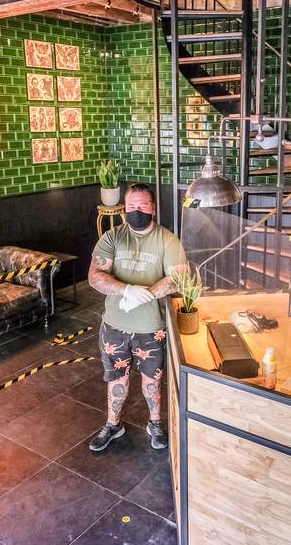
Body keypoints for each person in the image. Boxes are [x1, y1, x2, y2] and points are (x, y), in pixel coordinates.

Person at [87, 183, 186, 452]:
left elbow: (177, 278)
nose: (136, 210)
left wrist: (148, 293)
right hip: (114, 325)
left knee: (152, 379)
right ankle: (112, 424)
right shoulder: (112, 237)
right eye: (131, 206)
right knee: (116, 378)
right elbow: (95, 276)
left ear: (152, 208)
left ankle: (155, 423)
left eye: (142, 205)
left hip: (151, 327)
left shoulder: (167, 240)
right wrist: (126, 290)